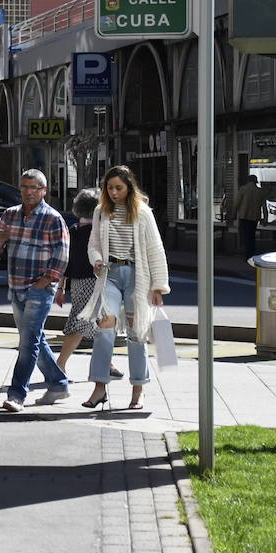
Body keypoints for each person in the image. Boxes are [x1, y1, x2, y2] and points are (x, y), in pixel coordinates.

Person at [82, 165, 170, 411]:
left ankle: (138, 391)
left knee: (136, 334)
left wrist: (159, 287)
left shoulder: (143, 213)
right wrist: (97, 259)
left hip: (137, 277)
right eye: (109, 188)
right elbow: (94, 244)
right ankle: (99, 387)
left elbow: (155, 249)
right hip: (109, 274)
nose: (113, 192)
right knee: (104, 327)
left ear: (129, 187)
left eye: (118, 188)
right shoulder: (101, 211)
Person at [0, 168, 70, 413]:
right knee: (36, 340)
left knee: (28, 342)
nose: (28, 192)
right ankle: (58, 384)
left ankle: (17, 394)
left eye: (34, 188)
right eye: (24, 187)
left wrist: (48, 280)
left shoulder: (53, 218)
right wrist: (0, 241)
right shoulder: (10, 215)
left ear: (43, 191)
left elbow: (62, 252)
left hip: (39, 288)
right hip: (16, 286)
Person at [55, 189, 121, 380]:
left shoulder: (72, 231)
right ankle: (60, 364)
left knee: (100, 322)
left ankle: (106, 362)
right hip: (94, 281)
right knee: (83, 323)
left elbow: (65, 262)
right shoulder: (99, 233)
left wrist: (60, 287)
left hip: (77, 282)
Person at [231, 173, 268, 262]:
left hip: (244, 216)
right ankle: (251, 254)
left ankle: (247, 255)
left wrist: (233, 214)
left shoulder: (243, 189)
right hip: (255, 217)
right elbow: (264, 207)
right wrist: (265, 218)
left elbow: (236, 203)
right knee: (252, 236)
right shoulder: (261, 191)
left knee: (246, 236)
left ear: (248, 181)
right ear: (256, 182)